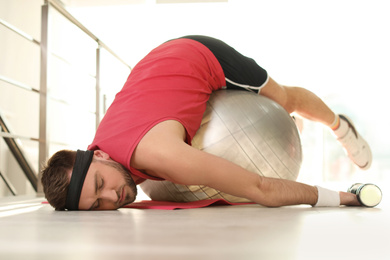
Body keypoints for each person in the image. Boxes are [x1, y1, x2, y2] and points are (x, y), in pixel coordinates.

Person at [41, 35, 372, 211]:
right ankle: (292, 126)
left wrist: (347, 198)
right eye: (97, 205)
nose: (112, 198)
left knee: (284, 99)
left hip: (196, 54)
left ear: (98, 157)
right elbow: (72, 187)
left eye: (101, 186)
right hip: (154, 71)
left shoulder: (160, 154)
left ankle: (340, 126)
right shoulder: (93, 161)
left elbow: (262, 188)